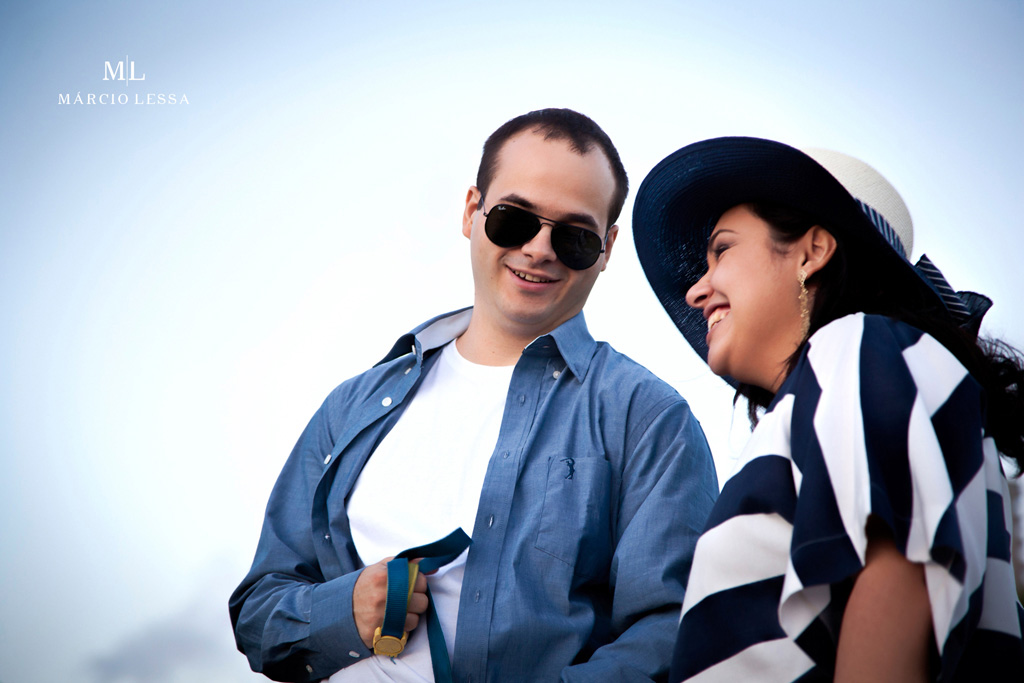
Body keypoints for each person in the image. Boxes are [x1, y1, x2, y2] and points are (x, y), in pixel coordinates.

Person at [230, 108, 719, 683]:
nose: (540, 250)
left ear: (607, 249)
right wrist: (345, 609)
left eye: (575, 236)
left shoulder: (648, 419)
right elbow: (259, 609)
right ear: (471, 212)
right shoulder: (353, 406)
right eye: (515, 219)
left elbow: (672, 634)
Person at [632, 137, 1024, 682]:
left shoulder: (862, 345)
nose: (698, 290)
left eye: (721, 250)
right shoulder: (865, 371)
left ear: (812, 251)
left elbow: (897, 576)